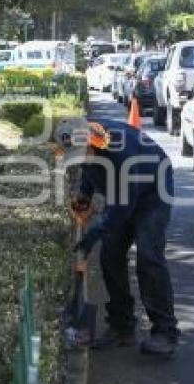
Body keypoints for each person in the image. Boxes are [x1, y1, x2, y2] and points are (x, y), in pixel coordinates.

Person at [54, 117, 179, 357]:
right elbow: (89, 170)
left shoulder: (122, 153)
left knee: (148, 255)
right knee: (110, 254)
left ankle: (165, 331)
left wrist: (92, 236)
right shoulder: (82, 136)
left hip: (153, 190)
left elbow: (122, 209)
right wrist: (84, 196)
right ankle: (122, 326)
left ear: (94, 143)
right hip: (124, 192)